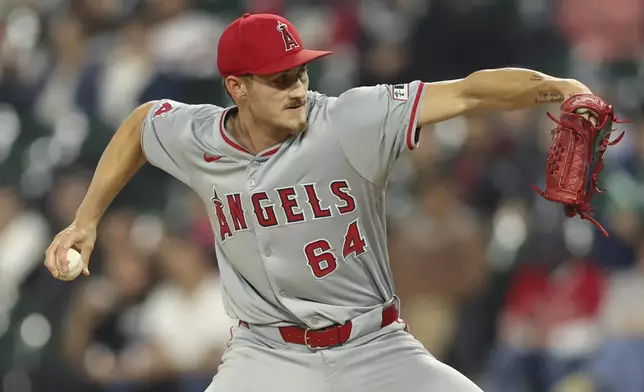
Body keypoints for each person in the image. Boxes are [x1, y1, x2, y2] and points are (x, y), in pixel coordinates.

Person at [44, 12, 596, 392]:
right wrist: (86, 220)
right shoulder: (198, 137)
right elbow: (140, 125)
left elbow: (470, 91)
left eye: (301, 71)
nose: (298, 88)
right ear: (237, 88)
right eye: (280, 79)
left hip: (375, 345)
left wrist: (561, 86)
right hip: (265, 355)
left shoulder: (350, 120)